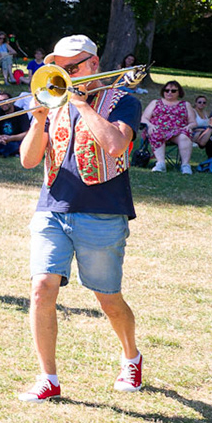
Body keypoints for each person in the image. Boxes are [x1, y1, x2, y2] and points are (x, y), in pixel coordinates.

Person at [14, 34, 144, 401]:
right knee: (41, 288)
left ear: (94, 65)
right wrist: (38, 120)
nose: (66, 74)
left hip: (103, 212)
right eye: (61, 68)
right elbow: (28, 159)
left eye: (73, 67)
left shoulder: (124, 102)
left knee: (109, 300)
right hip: (52, 209)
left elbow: (116, 144)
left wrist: (83, 106)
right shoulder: (51, 102)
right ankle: (48, 379)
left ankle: (131, 356)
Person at [141, 82, 195, 173]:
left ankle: (185, 165)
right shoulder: (155, 102)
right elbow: (144, 118)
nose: (169, 92)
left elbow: (193, 122)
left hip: (178, 131)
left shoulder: (185, 104)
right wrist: (150, 125)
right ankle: (161, 163)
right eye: (167, 90)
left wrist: (189, 126)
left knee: (184, 136)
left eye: (173, 91)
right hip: (158, 129)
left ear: (179, 92)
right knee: (156, 133)